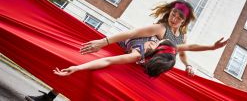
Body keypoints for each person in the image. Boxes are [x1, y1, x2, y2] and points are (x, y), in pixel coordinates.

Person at [24, 0, 216, 101]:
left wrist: (189, 64)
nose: (174, 18)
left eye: (179, 16)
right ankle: (49, 96)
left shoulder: (180, 37)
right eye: (173, 13)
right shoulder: (160, 28)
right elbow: (130, 33)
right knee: (80, 61)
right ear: (170, 12)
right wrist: (103, 42)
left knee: (93, 73)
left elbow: (184, 51)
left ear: (184, 21)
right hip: (125, 46)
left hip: (137, 58)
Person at [53, 38, 228, 77]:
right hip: (117, 44)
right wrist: (77, 68)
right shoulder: (142, 51)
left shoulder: (165, 49)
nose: (153, 43)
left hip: (129, 51)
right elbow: (107, 60)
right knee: (82, 62)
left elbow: (188, 47)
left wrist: (211, 48)